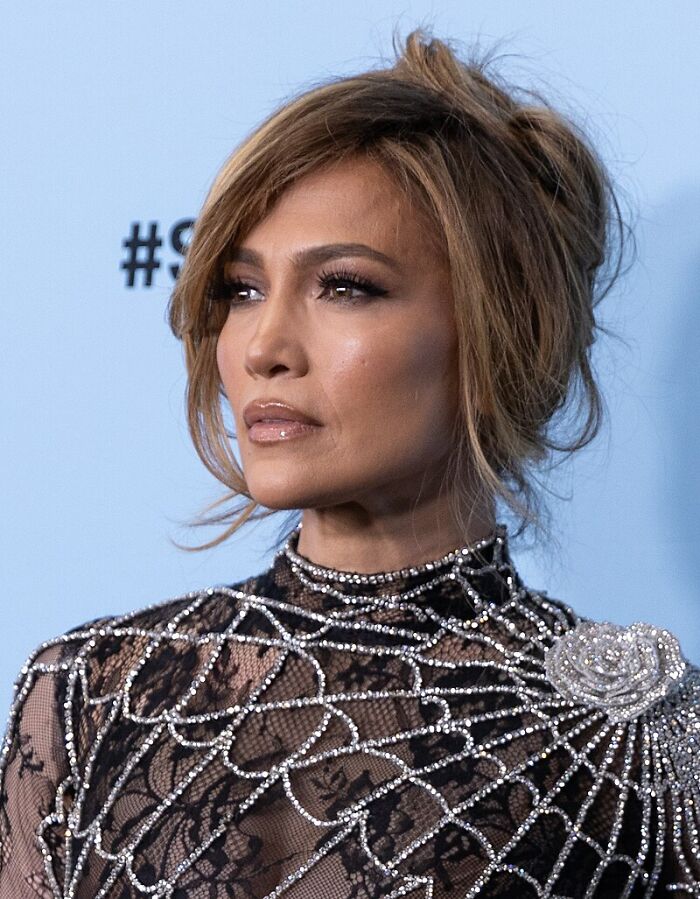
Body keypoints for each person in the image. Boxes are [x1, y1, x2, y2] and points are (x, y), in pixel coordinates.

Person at [1, 27, 698, 899]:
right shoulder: (93, 689)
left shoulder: (631, 744)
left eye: (345, 286)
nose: (263, 346)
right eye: (242, 290)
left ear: (501, 332)